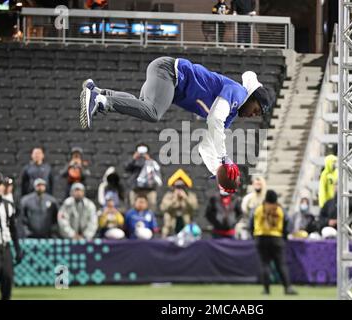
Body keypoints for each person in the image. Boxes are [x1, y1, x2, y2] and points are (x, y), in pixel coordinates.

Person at [79, 57, 273, 192]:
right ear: (251, 97)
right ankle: (99, 100)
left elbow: (206, 146)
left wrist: (217, 170)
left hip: (167, 74)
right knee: (153, 113)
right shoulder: (238, 92)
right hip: (169, 72)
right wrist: (224, 158)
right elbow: (214, 120)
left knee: (141, 105)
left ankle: (98, 92)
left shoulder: (230, 113)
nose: (254, 115)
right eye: (256, 109)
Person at [250, 190, 297, 295]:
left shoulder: (258, 209)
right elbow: (287, 224)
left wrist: (253, 235)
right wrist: (283, 236)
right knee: (281, 264)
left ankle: (266, 290)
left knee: (264, 264)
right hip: (276, 238)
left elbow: (251, 223)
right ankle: (287, 288)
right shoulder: (280, 210)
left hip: (261, 237)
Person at [0, 172, 23, 300]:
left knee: (7, 288)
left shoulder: (8, 205)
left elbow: (13, 229)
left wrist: (17, 248)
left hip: (6, 250)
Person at [160, 170, 198, 238]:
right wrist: (174, 200)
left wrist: (185, 198)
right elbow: (163, 208)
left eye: (181, 187)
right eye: (177, 187)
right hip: (171, 224)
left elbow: (194, 208)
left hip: (185, 223)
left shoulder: (190, 195)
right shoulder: (168, 196)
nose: (179, 189)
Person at [124, 144, 162, 211]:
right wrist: (134, 158)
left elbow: (157, 170)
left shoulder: (152, 160)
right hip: (136, 188)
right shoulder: (134, 161)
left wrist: (149, 160)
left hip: (149, 188)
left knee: (152, 205)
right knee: (133, 206)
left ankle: (150, 220)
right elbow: (126, 168)